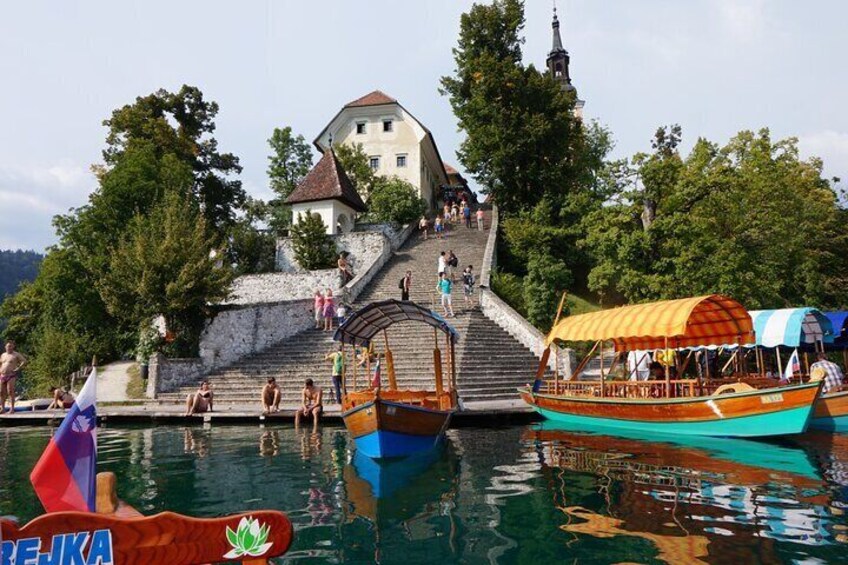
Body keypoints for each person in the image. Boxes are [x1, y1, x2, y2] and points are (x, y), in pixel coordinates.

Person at [0, 340, 26, 414]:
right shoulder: (3, 355)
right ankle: (3, 408)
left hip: (11, 375)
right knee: (1, 392)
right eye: (8, 346)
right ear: (5, 347)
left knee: (10, 391)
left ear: (13, 347)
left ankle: (12, 409)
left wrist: (18, 368)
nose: (9, 347)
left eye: (10, 346)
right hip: (2, 375)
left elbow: (24, 361)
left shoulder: (16, 354)